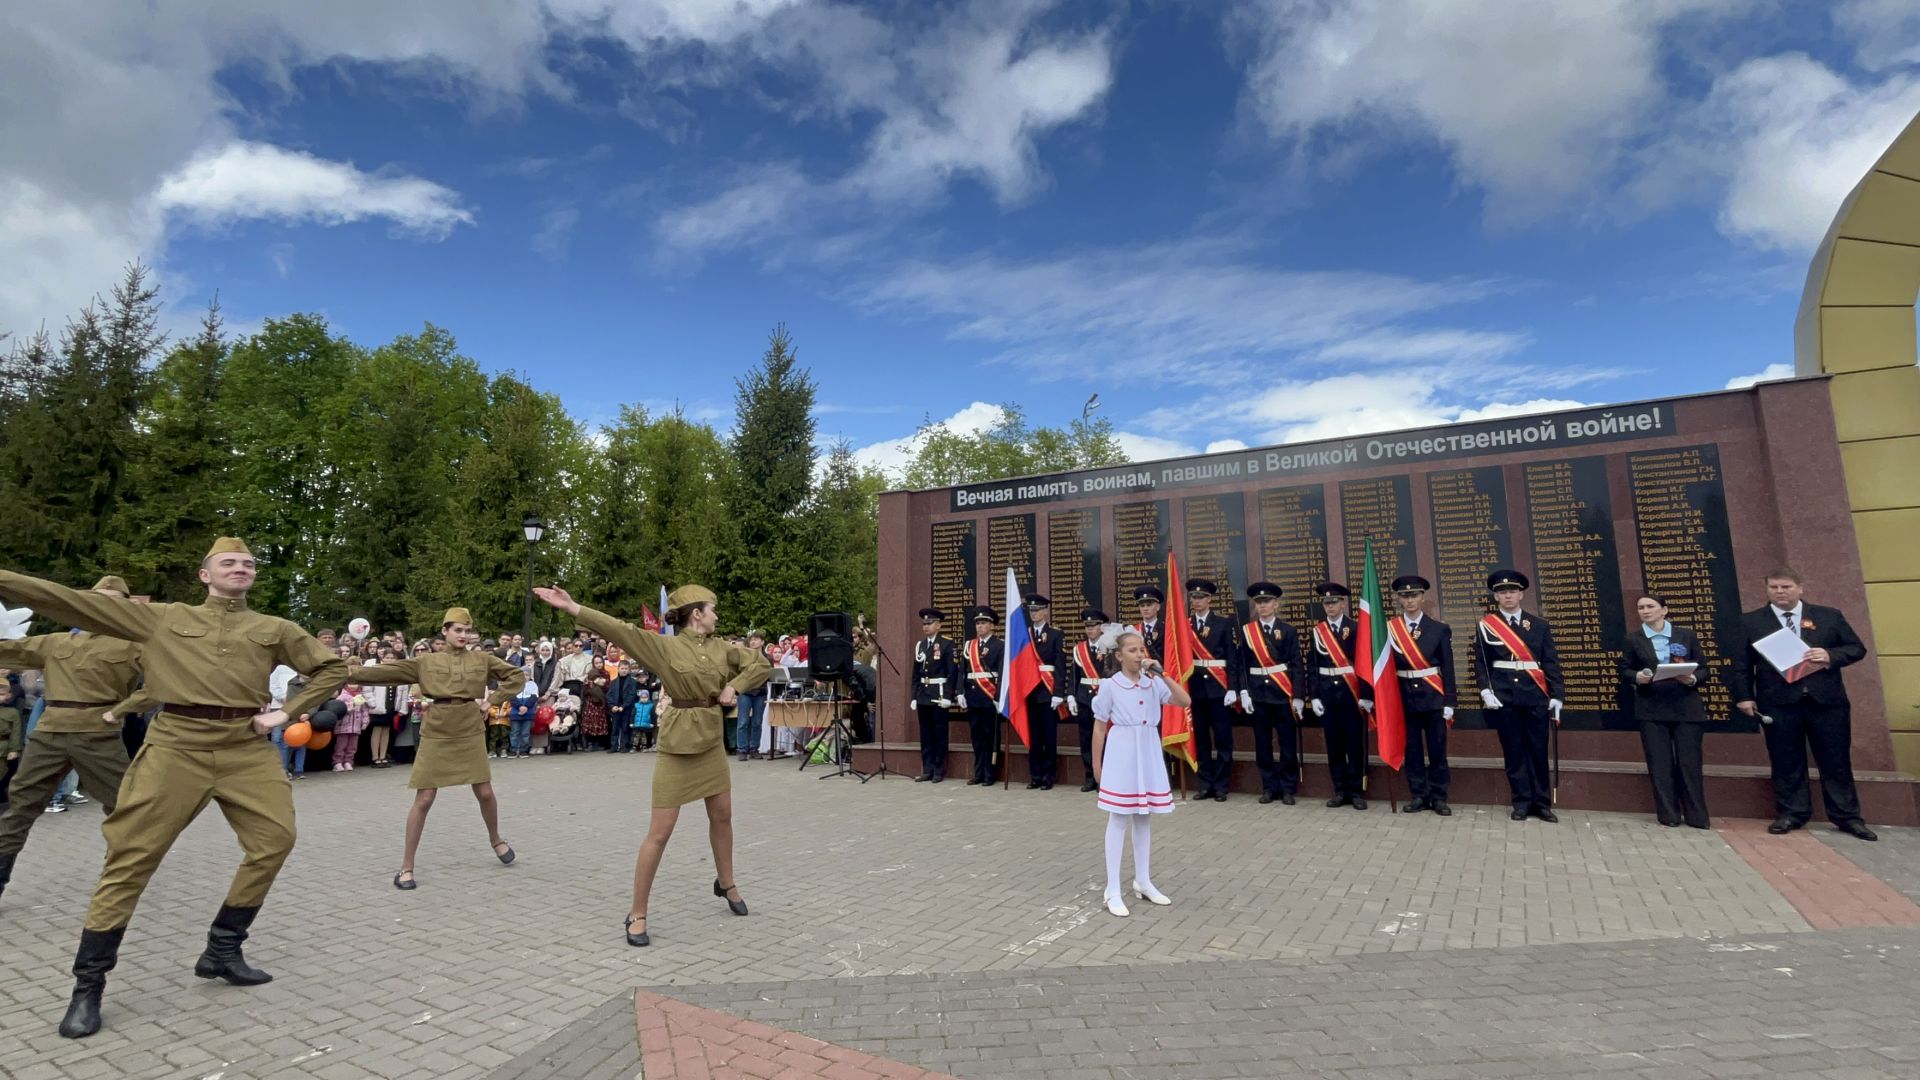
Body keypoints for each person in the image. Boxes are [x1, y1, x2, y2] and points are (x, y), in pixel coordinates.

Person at [0, 539, 348, 1039]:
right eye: (228, 562)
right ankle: (88, 986)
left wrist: (285, 713)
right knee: (132, 856)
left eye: (248, 563)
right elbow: (62, 599)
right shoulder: (161, 618)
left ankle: (223, 948)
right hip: (176, 746)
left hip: (244, 750)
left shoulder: (274, 629)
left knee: (275, 841)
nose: (241, 567)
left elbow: (333, 668)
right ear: (204, 575)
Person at [534, 583, 770, 948]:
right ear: (697, 614)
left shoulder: (724, 648)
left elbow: (760, 664)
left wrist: (735, 687)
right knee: (660, 831)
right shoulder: (665, 647)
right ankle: (638, 912)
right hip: (677, 745)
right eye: (713, 609)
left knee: (722, 814)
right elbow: (620, 630)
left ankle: (726, 883)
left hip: (709, 740)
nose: (717, 615)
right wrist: (574, 608)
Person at [349, 607, 529, 890]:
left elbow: (516, 676)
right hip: (436, 730)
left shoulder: (482, 659)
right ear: (444, 631)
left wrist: (492, 700)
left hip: (469, 727)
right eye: (457, 630)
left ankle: (496, 839)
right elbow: (385, 672)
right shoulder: (425, 662)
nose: (463, 635)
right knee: (424, 798)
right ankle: (406, 867)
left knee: (484, 791)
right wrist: (349, 670)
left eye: (467, 630)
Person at [0, 576, 144, 901]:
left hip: (99, 735)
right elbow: (11, 651)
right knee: (19, 808)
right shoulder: (57, 642)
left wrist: (127, 707)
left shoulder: (136, 644)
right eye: (96, 599)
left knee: (127, 809)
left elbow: (167, 681)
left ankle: (120, 882)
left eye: (113, 600)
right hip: (49, 732)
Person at [1728, 568, 1875, 841]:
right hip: (1779, 702)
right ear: (1767, 590)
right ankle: (1791, 813)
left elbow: (1857, 648)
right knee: (1786, 760)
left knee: (1836, 761)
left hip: (1826, 702)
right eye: (1774, 587)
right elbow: (1741, 664)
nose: (1780, 592)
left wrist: (1830, 654)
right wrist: (1744, 696)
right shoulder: (1752, 621)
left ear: (1800, 588)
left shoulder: (1828, 616)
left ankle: (1847, 817)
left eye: (1785, 587)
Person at [1092, 629, 1190, 918]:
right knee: (1119, 816)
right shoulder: (1111, 685)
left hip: (1146, 749)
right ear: (1119, 656)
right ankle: (1112, 888)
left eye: (1142, 649)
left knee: (1144, 816)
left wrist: (1163, 674)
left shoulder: (1152, 683)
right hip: (1122, 750)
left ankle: (1143, 880)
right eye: (1132, 651)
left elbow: (1184, 701)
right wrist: (1097, 765)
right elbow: (1099, 727)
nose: (1139, 655)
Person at [1474, 569, 1565, 823]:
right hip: (1504, 696)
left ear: (1521, 594)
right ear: (1496, 597)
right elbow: (1481, 663)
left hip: (1535, 695)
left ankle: (1542, 803)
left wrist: (1557, 695)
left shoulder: (1539, 625)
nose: (1508, 596)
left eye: (1512, 591)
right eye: (1502, 592)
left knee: (1537, 749)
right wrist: (1485, 690)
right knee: (1513, 751)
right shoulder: (1486, 626)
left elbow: (1550, 662)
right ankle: (1521, 801)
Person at [1622, 595, 1711, 829]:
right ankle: (1668, 815)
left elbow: (1704, 667)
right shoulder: (1633, 639)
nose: (1645, 611)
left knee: (1689, 763)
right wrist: (1637, 677)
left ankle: (1696, 815)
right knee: (1659, 764)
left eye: (1650, 607)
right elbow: (1624, 670)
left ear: (1664, 610)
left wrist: (1692, 678)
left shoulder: (1685, 635)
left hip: (1686, 706)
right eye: (1640, 607)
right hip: (1652, 707)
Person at [1389, 575, 1456, 815]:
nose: (1409, 600)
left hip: (1433, 696)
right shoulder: (1390, 630)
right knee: (1413, 749)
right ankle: (1418, 794)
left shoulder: (1438, 629)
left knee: (1437, 749)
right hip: (1404, 698)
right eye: (1405, 596)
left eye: (1414, 595)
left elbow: (1447, 667)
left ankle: (1439, 796)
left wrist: (1450, 700)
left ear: (1422, 597)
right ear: (1399, 599)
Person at [1232, 581, 1305, 806]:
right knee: (1262, 744)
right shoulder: (1247, 632)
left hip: (1282, 693)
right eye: (1259, 602)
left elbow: (1296, 665)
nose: (1262, 606)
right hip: (1258, 694)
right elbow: (1241, 663)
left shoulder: (1288, 631)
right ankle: (1268, 787)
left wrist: (1299, 696)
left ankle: (1287, 788)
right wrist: (1243, 691)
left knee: (1287, 744)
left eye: (1267, 602)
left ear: (1276, 604)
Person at [1309, 583, 1371, 810]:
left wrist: (1366, 695)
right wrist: (1313, 696)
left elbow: (1365, 663)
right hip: (1328, 696)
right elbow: (1313, 666)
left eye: (1334, 602)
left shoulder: (1356, 628)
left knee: (1354, 745)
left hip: (1351, 695)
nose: (1330, 606)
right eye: (1326, 603)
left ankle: (1356, 791)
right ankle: (1339, 789)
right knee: (1334, 745)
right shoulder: (1318, 631)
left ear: (1343, 603)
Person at [1183, 579, 1237, 801]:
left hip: (1219, 688)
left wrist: (1233, 688)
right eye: (1194, 598)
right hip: (1195, 690)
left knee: (1223, 739)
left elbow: (1232, 658)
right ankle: (1205, 784)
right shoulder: (1184, 625)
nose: (1197, 601)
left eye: (1201, 597)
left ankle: (1222, 785)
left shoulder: (1223, 623)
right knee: (1202, 740)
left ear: (1209, 599)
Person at [1023, 596, 1068, 790]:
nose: (1034, 613)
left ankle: (1049, 776)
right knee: (1034, 737)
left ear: (1045, 611)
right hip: (1030, 691)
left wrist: (1058, 692)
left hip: (1048, 691)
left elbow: (1059, 665)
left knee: (1049, 737)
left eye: (1037, 610)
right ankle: (1035, 775)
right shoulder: (1024, 634)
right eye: (1031, 610)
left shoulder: (1056, 634)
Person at [910, 607, 959, 783]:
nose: (926, 626)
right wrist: (914, 696)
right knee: (926, 735)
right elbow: (916, 674)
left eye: (929, 623)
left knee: (939, 734)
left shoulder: (947, 644)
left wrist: (948, 695)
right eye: (924, 623)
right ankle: (927, 768)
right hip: (923, 695)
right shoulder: (920, 645)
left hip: (939, 696)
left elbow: (952, 672)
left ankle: (939, 769)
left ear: (938, 625)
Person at [1066, 607, 1112, 792]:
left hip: (1105, 696)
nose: (1090, 630)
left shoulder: (1110, 647)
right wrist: (1070, 695)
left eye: (1094, 626)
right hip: (1085, 698)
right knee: (1086, 738)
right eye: (1087, 626)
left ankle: (1106, 777)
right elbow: (1074, 675)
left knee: (1106, 738)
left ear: (1102, 627)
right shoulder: (1080, 649)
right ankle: (1090, 777)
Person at [960, 607, 1004, 786]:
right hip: (973, 696)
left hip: (989, 696)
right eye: (978, 623)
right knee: (976, 737)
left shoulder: (999, 645)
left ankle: (990, 773)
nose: (980, 627)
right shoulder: (969, 645)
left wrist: (998, 696)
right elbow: (962, 671)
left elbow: (1002, 674)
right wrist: (960, 692)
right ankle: (978, 772)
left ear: (992, 626)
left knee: (990, 736)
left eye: (984, 623)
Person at [735, 632, 767, 761]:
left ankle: (754, 748)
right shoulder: (744, 656)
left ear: (762, 642)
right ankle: (742, 749)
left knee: (757, 722)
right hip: (745, 692)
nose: (753, 642)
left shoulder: (767, 657)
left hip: (760, 692)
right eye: (751, 640)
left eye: (756, 639)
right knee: (743, 721)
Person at [331, 680, 370, 771]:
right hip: (343, 725)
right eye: (350, 684)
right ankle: (337, 762)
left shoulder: (361, 696)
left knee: (352, 746)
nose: (352, 686)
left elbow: (365, 710)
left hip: (356, 726)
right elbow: (339, 709)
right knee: (341, 745)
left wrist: (365, 722)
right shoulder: (342, 696)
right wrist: (351, 704)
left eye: (355, 684)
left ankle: (348, 761)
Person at [607, 660, 638, 753]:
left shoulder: (632, 682)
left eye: (626, 669)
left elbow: (632, 695)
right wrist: (612, 706)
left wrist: (624, 706)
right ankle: (614, 746)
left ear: (629, 670)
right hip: (615, 707)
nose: (624, 670)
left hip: (626, 707)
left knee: (625, 727)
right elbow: (609, 695)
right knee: (615, 727)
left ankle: (624, 746)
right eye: (622, 668)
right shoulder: (613, 682)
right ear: (618, 669)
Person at [1130, 585, 1165, 661]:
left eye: (1149, 605)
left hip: (1161, 671)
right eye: (1142, 606)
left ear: (1158, 607)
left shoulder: (1166, 629)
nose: (1145, 609)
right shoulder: (1133, 630)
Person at [507, 682, 538, 758]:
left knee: (525, 733)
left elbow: (534, 697)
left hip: (528, 712)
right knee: (514, 732)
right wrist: (519, 706)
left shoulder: (533, 684)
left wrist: (526, 706)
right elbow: (511, 697)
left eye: (527, 674)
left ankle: (523, 750)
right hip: (515, 712)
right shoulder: (514, 683)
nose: (525, 676)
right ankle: (513, 750)